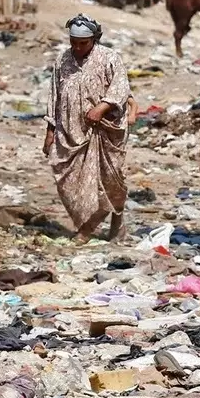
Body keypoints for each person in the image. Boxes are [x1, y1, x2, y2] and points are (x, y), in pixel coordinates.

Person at [43, 14, 131, 242]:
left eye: (83, 43)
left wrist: (101, 108)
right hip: (71, 132)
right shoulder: (63, 61)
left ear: (94, 39)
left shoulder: (110, 58)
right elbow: (55, 95)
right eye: (74, 42)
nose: (78, 47)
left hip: (105, 131)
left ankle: (92, 227)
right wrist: (50, 131)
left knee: (109, 179)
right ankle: (85, 222)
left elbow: (121, 88)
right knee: (68, 179)